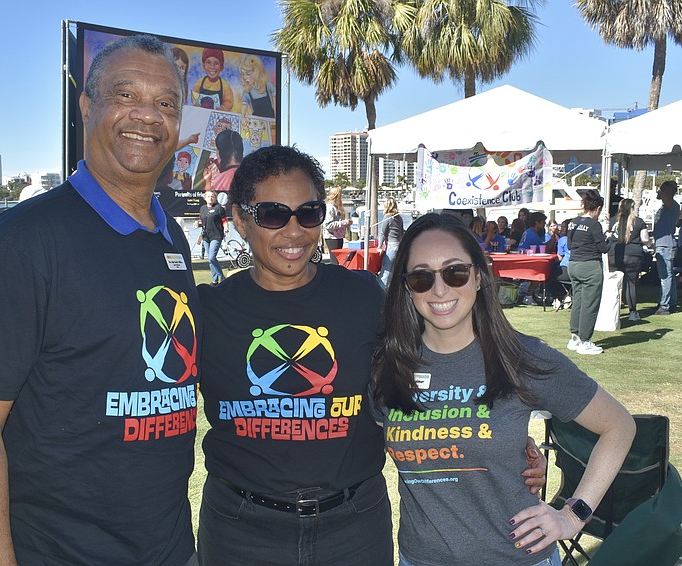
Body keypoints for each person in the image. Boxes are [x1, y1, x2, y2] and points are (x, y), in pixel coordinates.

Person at [196, 146, 546, 566]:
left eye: (308, 213)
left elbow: (441, 361)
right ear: (238, 218)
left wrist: (508, 443)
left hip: (353, 526)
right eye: (273, 214)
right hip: (241, 528)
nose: (294, 232)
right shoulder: (206, 310)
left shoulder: (364, 296)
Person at [0, 34, 200, 566]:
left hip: (171, 550)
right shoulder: (26, 238)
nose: (147, 116)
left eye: (166, 103)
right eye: (125, 96)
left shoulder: (170, 237)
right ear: (86, 107)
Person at [370, 212, 635, 566]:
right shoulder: (388, 365)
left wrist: (572, 515)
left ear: (479, 276)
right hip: (421, 559)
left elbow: (619, 426)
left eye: (455, 272)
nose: (439, 289)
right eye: (421, 277)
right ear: (406, 286)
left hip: (519, 558)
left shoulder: (522, 357)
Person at [567, 190, 610, 355]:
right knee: (590, 304)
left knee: (577, 301)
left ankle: (575, 337)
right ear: (598, 208)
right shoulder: (594, 225)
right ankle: (585, 341)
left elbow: (570, 245)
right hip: (590, 266)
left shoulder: (573, 222)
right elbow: (604, 248)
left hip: (573, 264)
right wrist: (609, 238)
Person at [609, 199, 650, 322]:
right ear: (632, 208)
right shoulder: (639, 222)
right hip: (633, 256)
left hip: (614, 254)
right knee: (630, 284)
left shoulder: (612, 221)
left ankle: (612, 312)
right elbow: (645, 239)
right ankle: (633, 312)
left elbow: (608, 236)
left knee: (614, 285)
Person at [652, 180, 681, 315]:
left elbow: (666, 196)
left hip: (665, 244)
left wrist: (664, 191)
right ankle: (671, 302)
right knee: (669, 276)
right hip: (662, 243)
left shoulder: (672, 205)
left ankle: (665, 305)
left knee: (665, 276)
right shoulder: (666, 207)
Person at [203, 129, 243, 203]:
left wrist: (208, 181)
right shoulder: (250, 173)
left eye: (217, 150)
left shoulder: (223, 178)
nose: (217, 153)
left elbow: (212, 203)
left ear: (222, 152)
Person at [200, 189, 226, 285]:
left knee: (212, 257)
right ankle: (215, 280)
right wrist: (197, 223)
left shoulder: (218, 207)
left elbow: (224, 220)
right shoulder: (202, 208)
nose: (210, 198)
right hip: (206, 236)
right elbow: (202, 221)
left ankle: (222, 277)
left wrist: (226, 227)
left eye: (212, 196)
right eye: (208, 196)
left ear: (215, 198)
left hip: (216, 235)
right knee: (210, 260)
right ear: (205, 198)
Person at [239, 54, 275, 120]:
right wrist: (243, 118)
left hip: (271, 122)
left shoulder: (268, 86)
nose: (245, 77)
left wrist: (276, 119)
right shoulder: (247, 93)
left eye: (248, 74)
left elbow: (275, 103)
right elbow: (244, 106)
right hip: (256, 125)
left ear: (257, 72)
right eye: (243, 74)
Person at [378, 197, 404, 287]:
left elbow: (382, 233)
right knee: (394, 271)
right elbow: (401, 232)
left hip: (391, 246)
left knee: (386, 271)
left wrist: (379, 247)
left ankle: (380, 293)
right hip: (399, 245)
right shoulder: (399, 218)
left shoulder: (387, 217)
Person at [323, 186, 352, 264]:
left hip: (338, 236)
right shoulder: (330, 207)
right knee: (335, 261)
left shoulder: (336, 207)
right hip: (332, 237)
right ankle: (333, 276)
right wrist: (344, 223)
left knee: (338, 260)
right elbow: (328, 225)